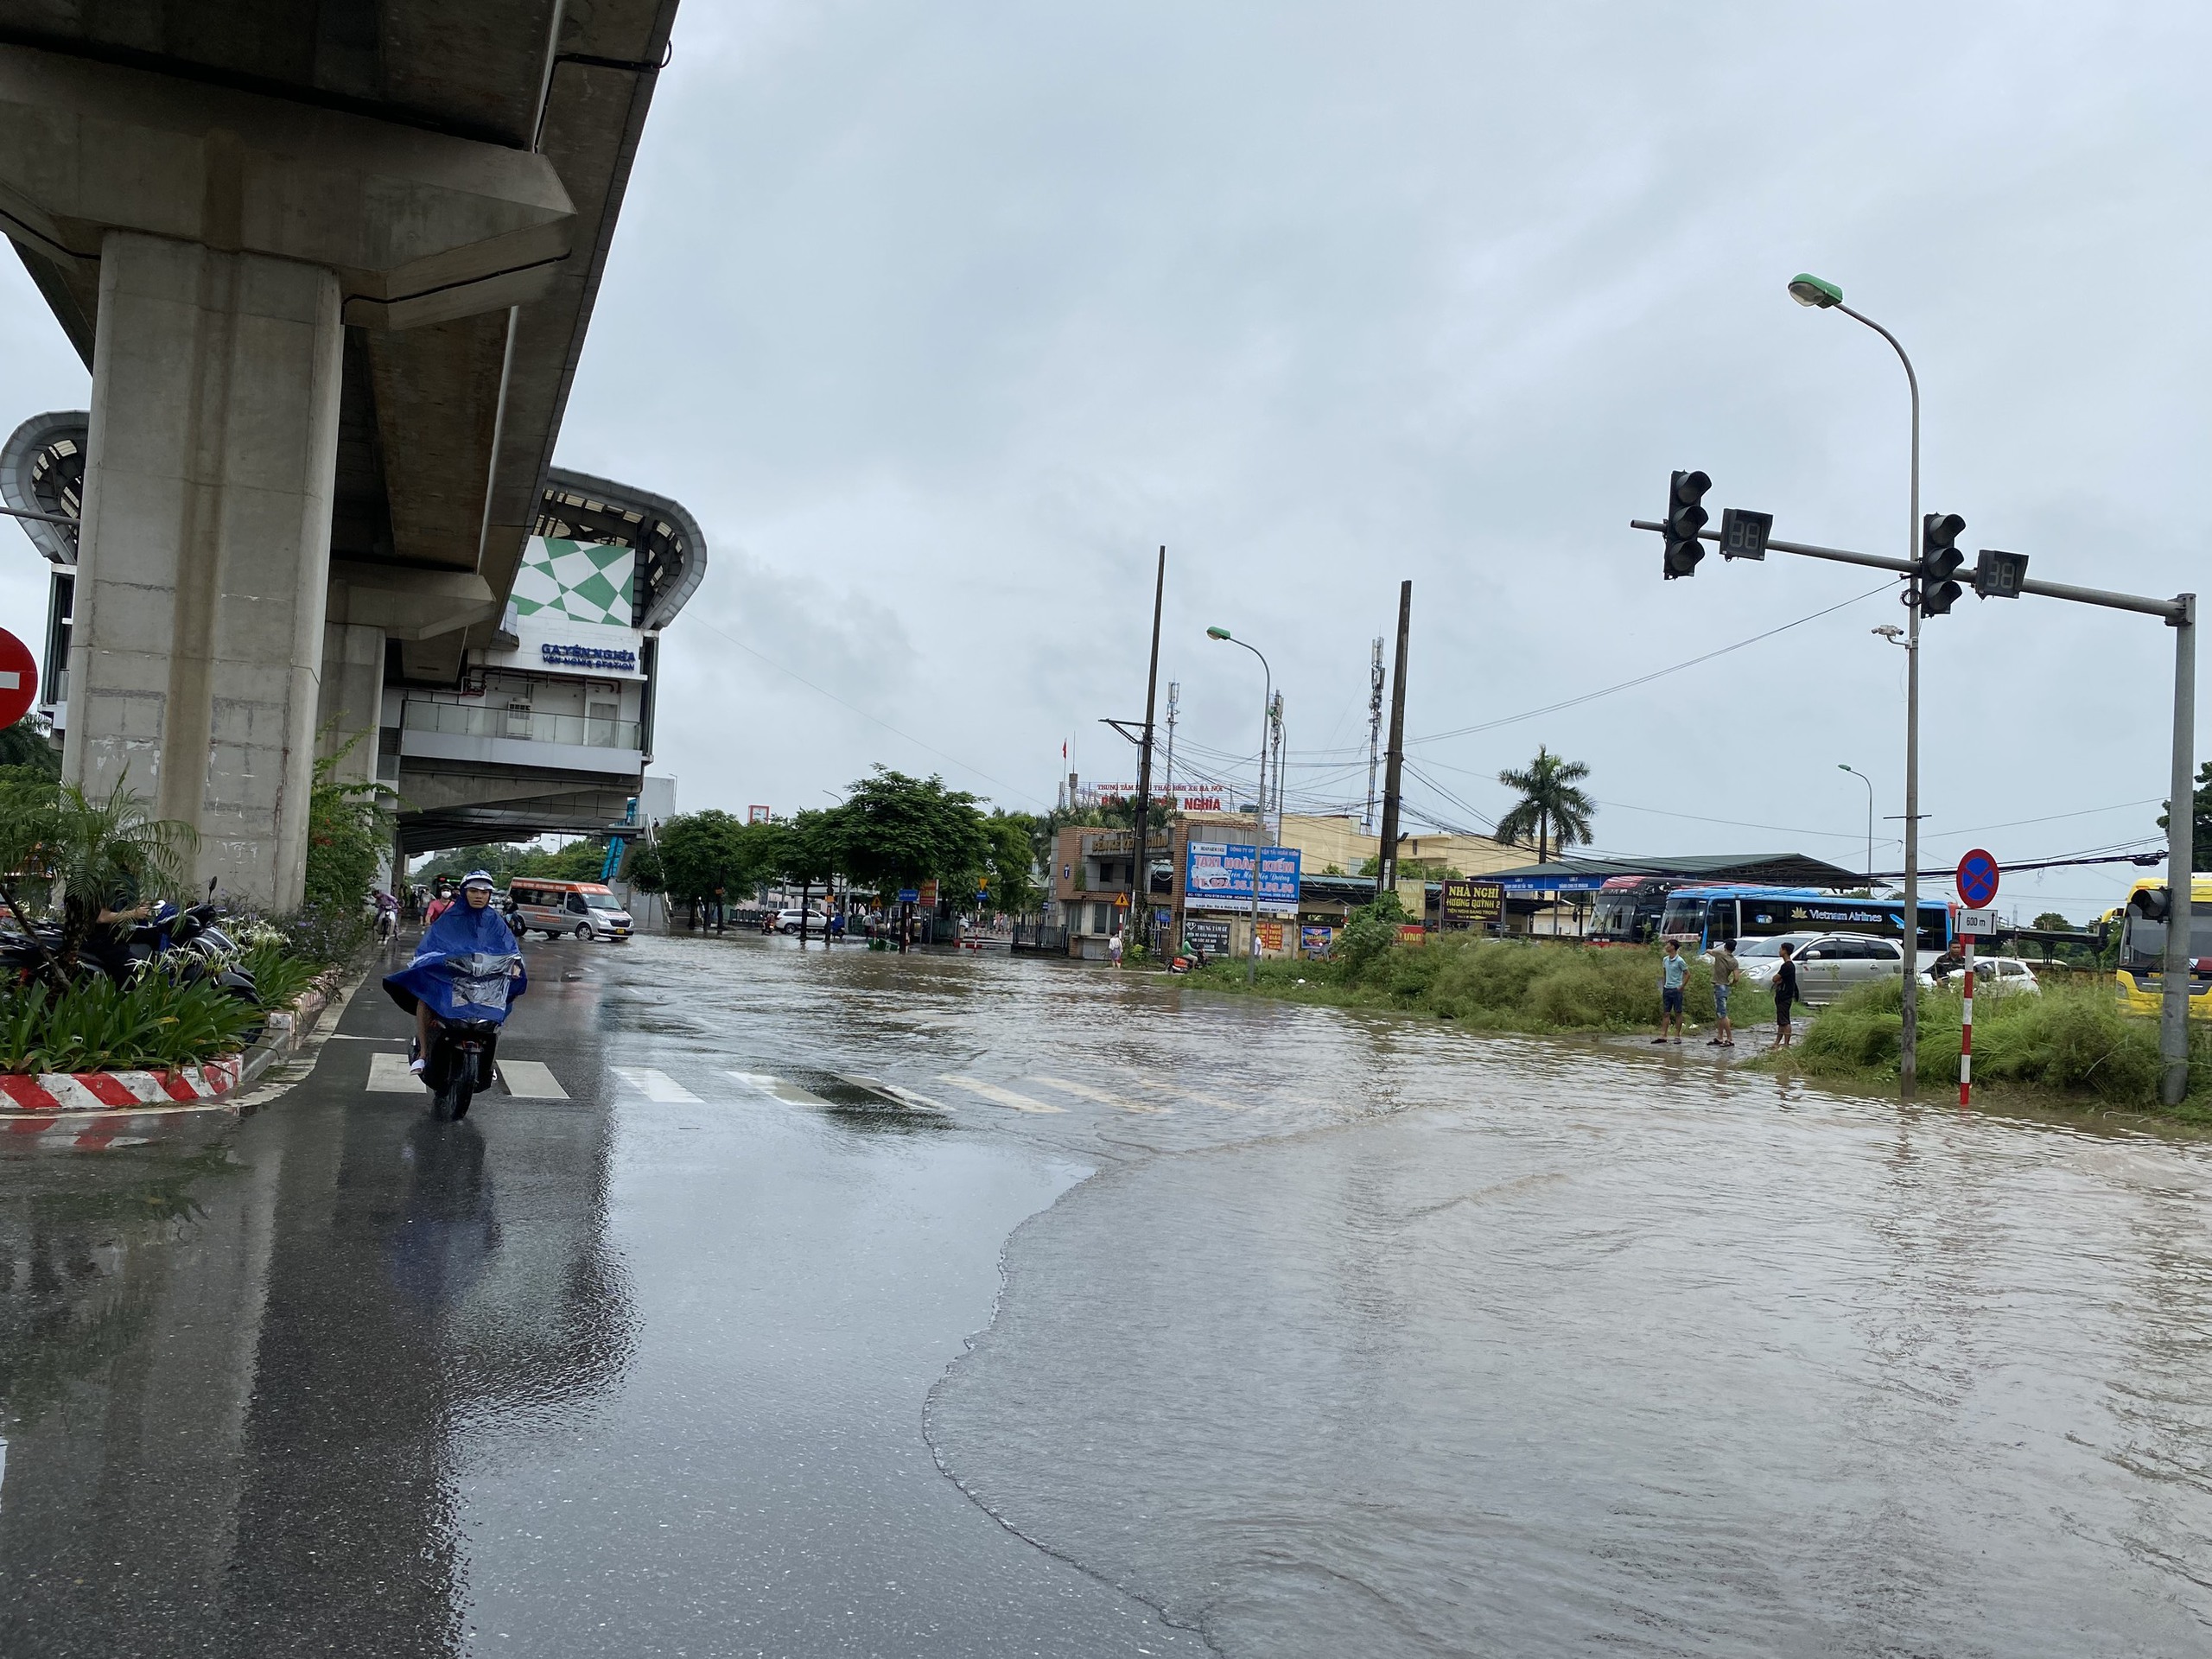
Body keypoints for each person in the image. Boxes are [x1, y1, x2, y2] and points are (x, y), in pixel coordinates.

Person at [385, 871, 527, 1077]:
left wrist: (515, 966)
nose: (479, 896)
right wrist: (434, 961)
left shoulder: (496, 922)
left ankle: (489, 1061)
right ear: (464, 892)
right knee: (425, 998)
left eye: (485, 892)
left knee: (503, 1003)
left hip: (484, 982)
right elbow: (430, 948)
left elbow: (511, 950)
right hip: (450, 979)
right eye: (474, 891)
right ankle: (423, 1054)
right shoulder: (449, 919)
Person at [1707, 937, 1739, 1048]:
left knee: (1723, 1013)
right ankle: (1719, 1037)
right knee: (1720, 1013)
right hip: (1725, 985)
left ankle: (1729, 1038)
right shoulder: (1734, 961)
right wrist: (1731, 983)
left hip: (1718, 985)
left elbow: (1709, 951)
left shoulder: (1720, 954)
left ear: (1725, 947)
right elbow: (1736, 978)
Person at [1654, 938, 1688, 1043]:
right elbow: (1664, 972)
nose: (1666, 947)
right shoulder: (1665, 960)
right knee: (1666, 1013)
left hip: (1676, 989)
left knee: (1678, 1012)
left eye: (1668, 945)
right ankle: (1663, 1035)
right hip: (1667, 989)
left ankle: (1677, 1036)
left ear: (1673, 947)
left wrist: (1682, 986)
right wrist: (1664, 984)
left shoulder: (1680, 961)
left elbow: (1687, 973)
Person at [1773, 941, 1803, 1048]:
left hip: (1784, 996)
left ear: (1785, 951)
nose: (1779, 951)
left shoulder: (1787, 966)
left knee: (1785, 1021)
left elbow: (1775, 978)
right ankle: (1777, 1042)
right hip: (1783, 995)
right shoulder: (1789, 966)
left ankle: (1786, 1043)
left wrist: (1778, 980)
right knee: (1781, 1021)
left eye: (1781, 949)